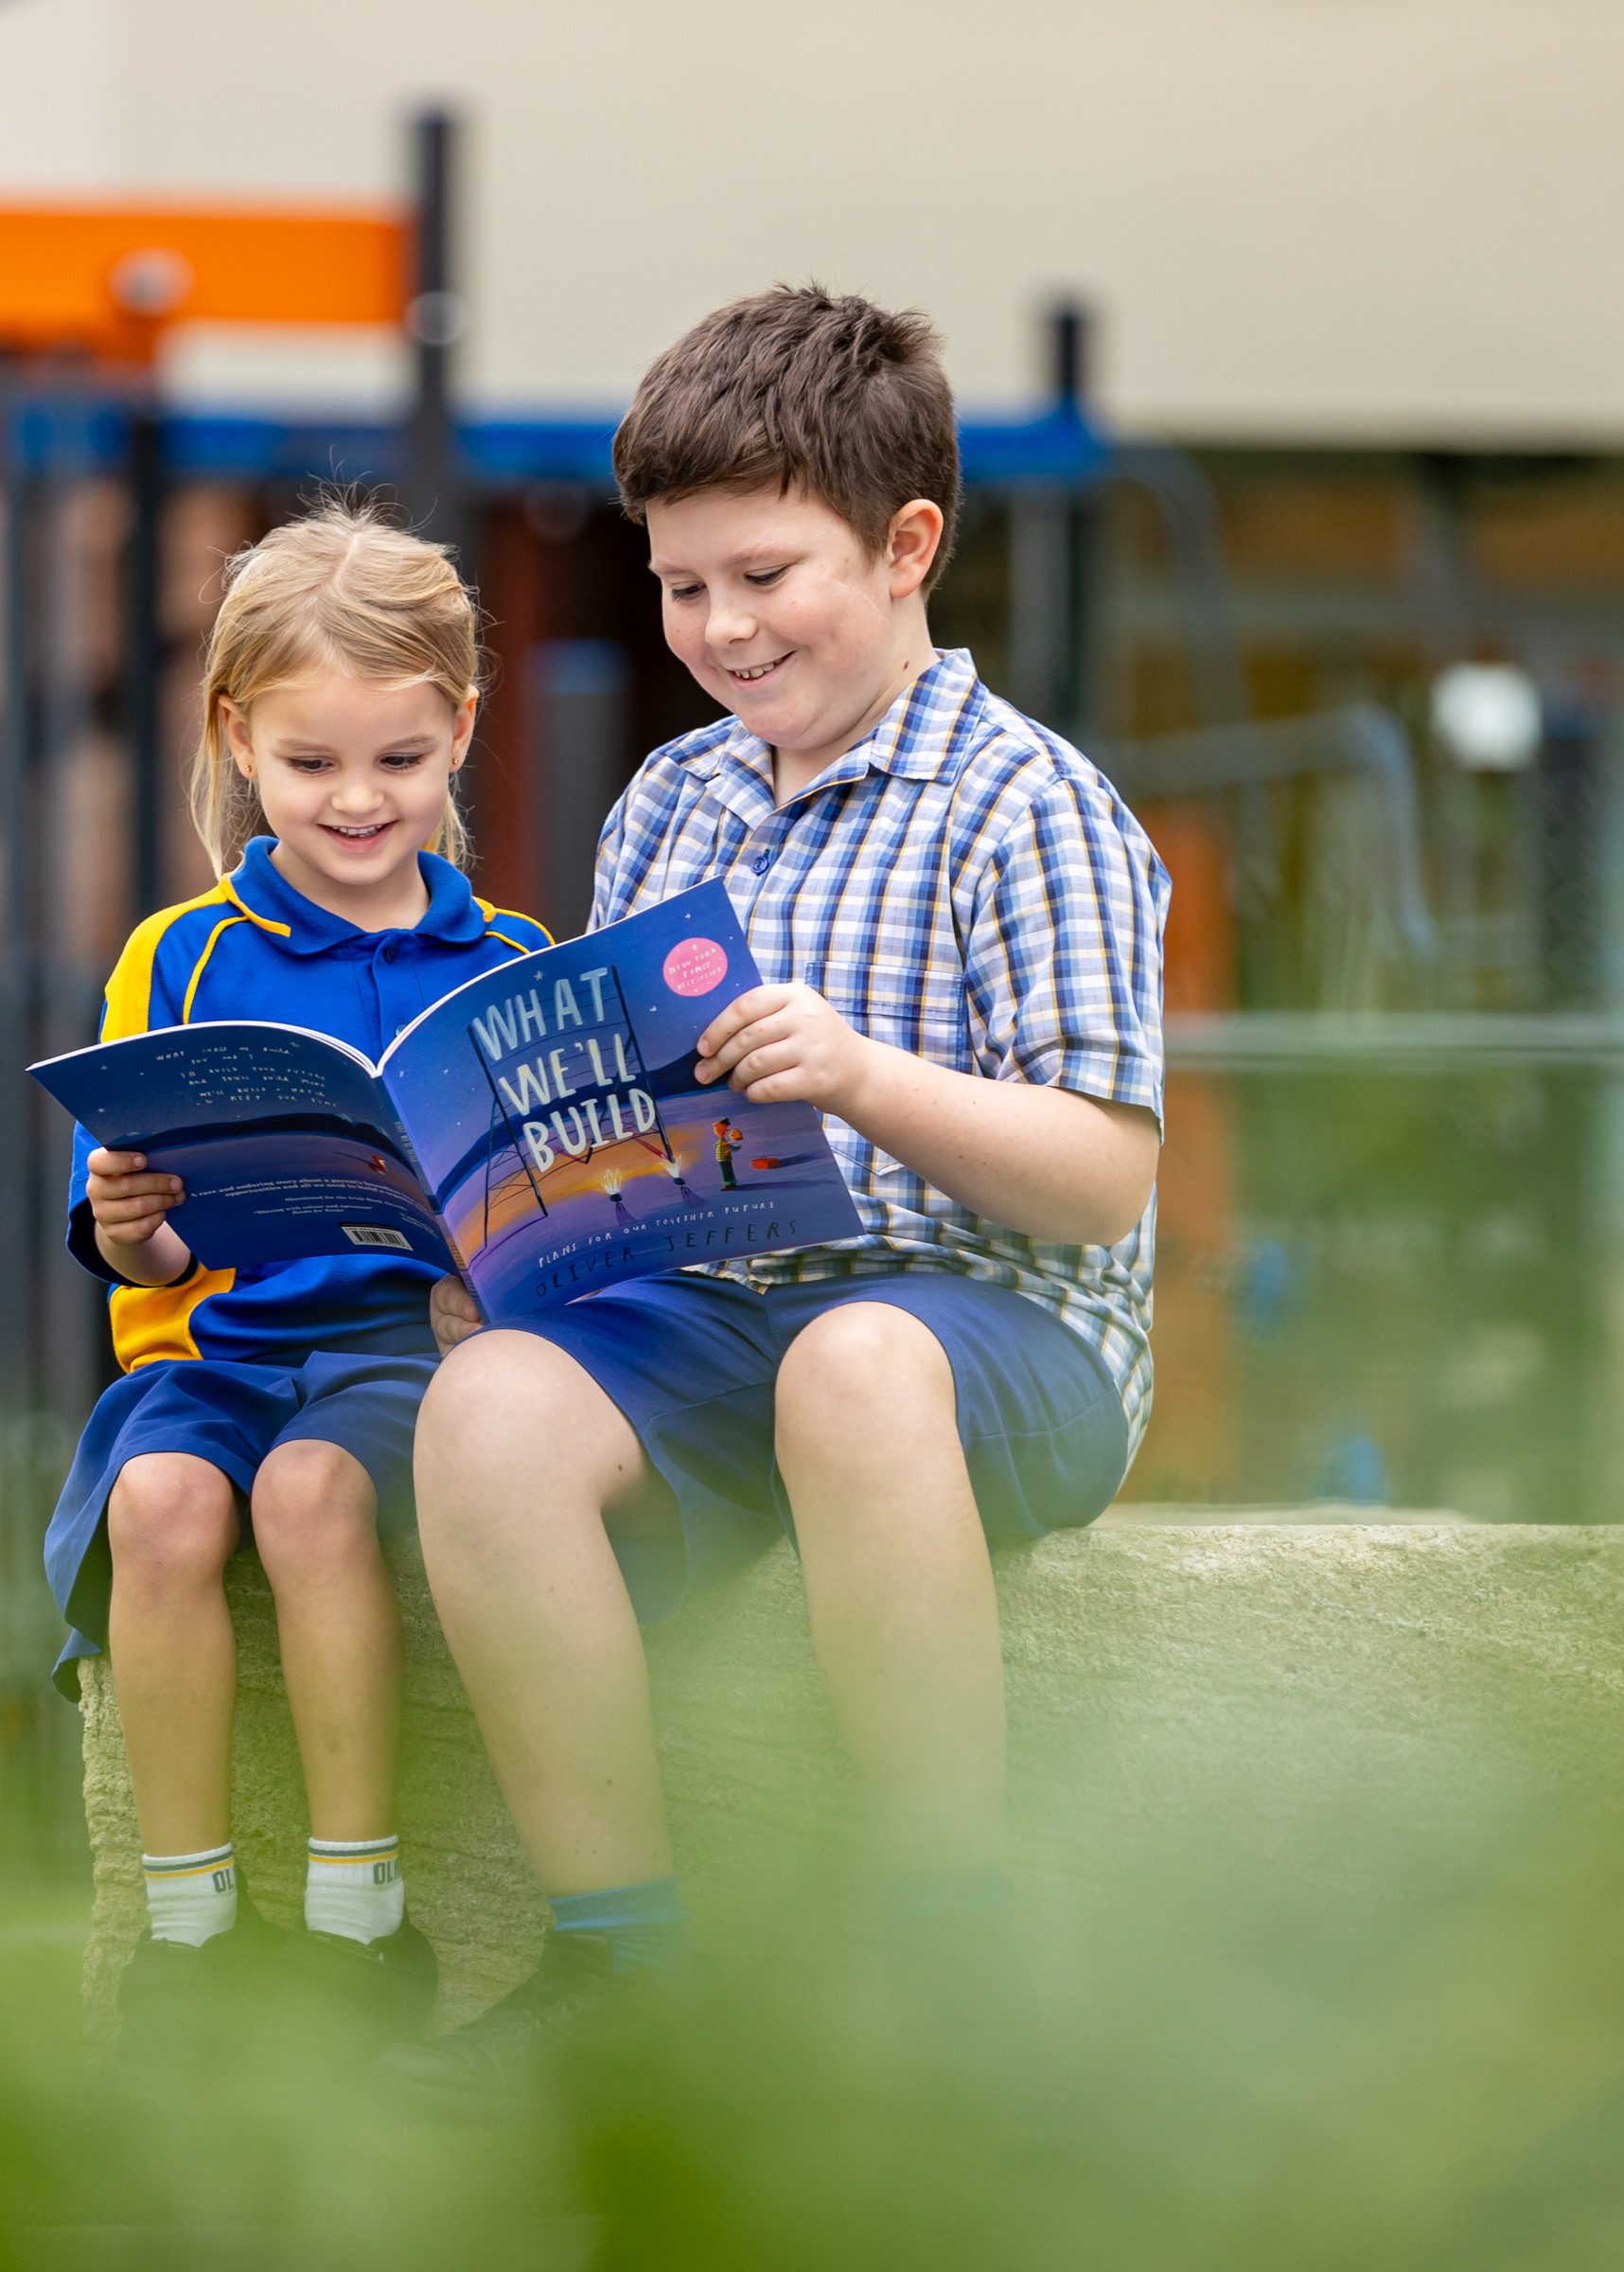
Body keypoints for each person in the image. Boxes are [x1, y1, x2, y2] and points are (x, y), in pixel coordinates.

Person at [385, 289, 1170, 2101]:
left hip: (996, 1331)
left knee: (856, 1368)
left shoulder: (1026, 805)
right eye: (681, 589)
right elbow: (627, 1127)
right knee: (490, 1406)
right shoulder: (671, 802)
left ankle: (939, 1942)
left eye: (765, 575)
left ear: (906, 549)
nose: (721, 629)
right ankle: (619, 1955)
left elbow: (1105, 1179)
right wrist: (499, 1230)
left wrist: (867, 1079)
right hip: (727, 1300)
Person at [47, 502, 554, 2056]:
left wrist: (496, 1281)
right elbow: (141, 1243)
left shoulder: (512, 959)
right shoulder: (181, 956)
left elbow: (551, 1213)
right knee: (161, 1507)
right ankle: (189, 1933)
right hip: (217, 1352)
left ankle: (356, 1913)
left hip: (402, 1364)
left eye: (399, 762)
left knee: (312, 1502)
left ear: (459, 733)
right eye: (312, 762)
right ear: (237, 740)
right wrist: (134, 1214)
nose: (356, 801)